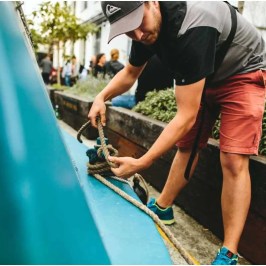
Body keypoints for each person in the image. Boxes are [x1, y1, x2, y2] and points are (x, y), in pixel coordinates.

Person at [88, 2, 266, 265]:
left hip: (243, 72)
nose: (137, 35)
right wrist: (101, 96)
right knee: (187, 144)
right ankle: (163, 207)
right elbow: (130, 72)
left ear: (151, 3)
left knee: (232, 159)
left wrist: (142, 162)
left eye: (137, 23)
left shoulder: (193, 25)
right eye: (127, 30)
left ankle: (229, 252)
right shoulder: (143, 29)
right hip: (205, 72)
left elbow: (185, 117)